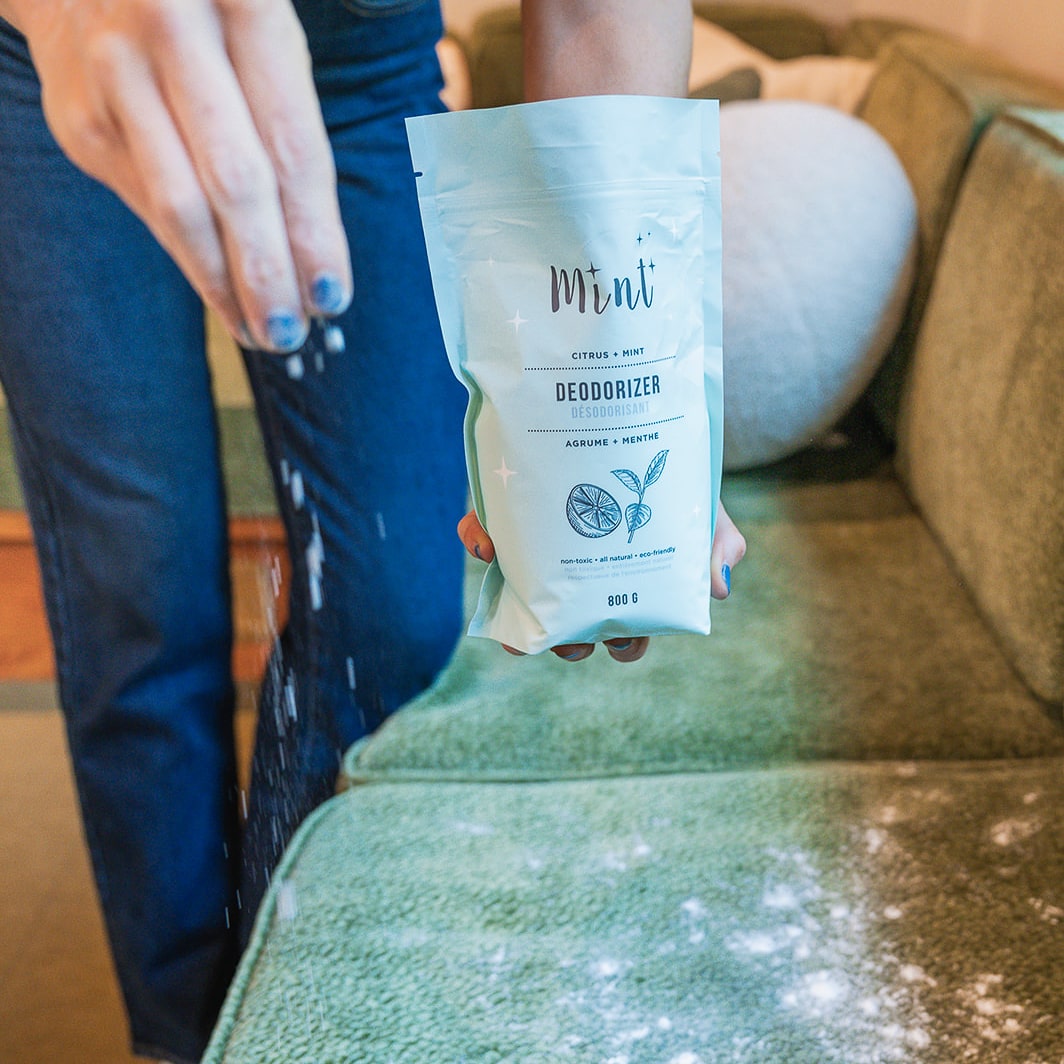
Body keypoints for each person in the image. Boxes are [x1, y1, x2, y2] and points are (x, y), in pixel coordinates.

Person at [0, 1, 746, 1060]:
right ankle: (180, 1034)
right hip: (48, 72)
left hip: (357, 71)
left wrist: (625, 421)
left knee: (391, 608)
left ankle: (289, 1005)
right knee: (139, 596)